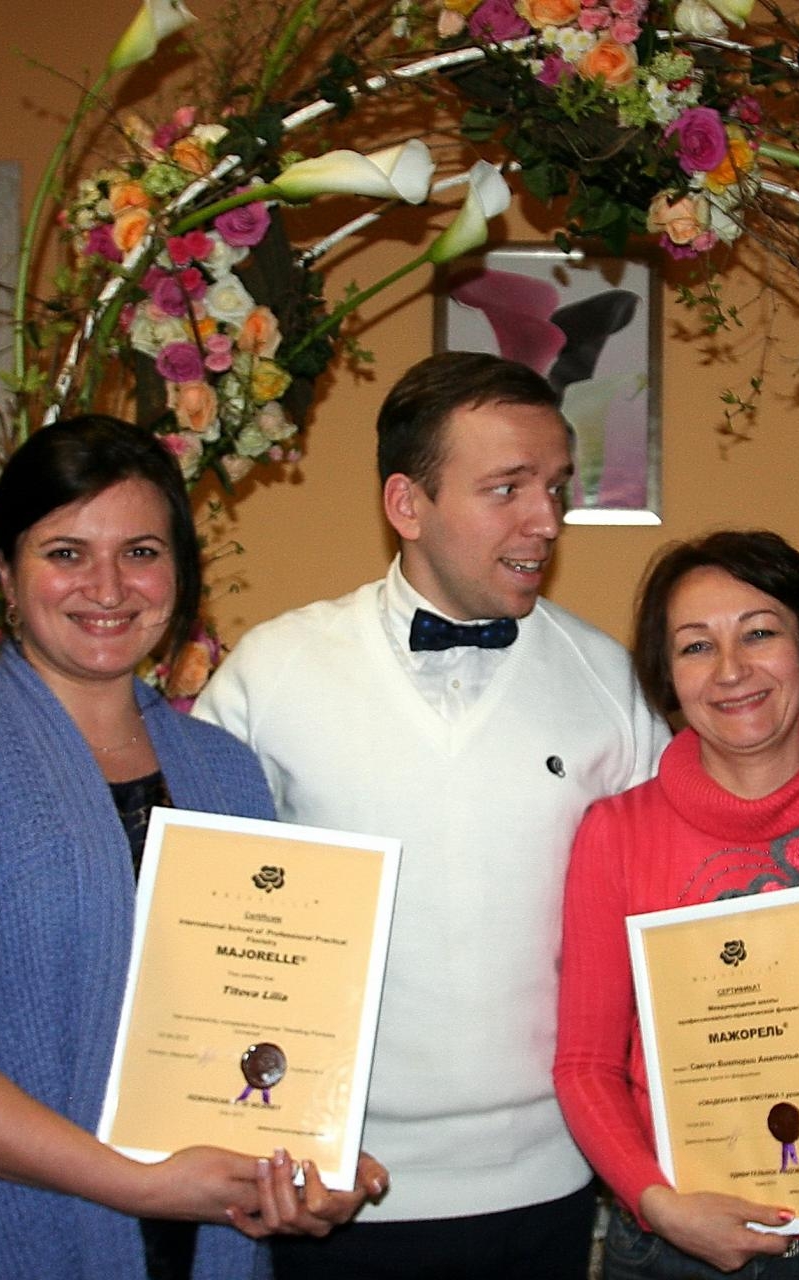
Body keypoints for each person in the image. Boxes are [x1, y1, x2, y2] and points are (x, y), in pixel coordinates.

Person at [0, 417, 384, 1280]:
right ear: (6, 573)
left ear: (179, 573)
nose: (108, 586)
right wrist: (136, 1184)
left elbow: (254, 1009)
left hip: (199, 1244)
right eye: (66, 552)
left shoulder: (223, 769)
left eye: (140, 552)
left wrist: (303, 1155)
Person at [194, 352, 668, 1279]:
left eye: (555, 487)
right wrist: (261, 1138)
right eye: (507, 488)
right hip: (332, 1189)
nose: (547, 519)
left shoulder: (609, 681)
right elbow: (202, 931)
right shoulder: (271, 673)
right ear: (407, 504)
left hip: (551, 1183)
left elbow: (667, 912)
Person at [554, 529, 799, 1279]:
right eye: (696, 646)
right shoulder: (616, 834)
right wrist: (656, 1202)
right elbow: (585, 1065)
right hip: (673, 1245)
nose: (731, 670)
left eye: (759, 633)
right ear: (669, 677)